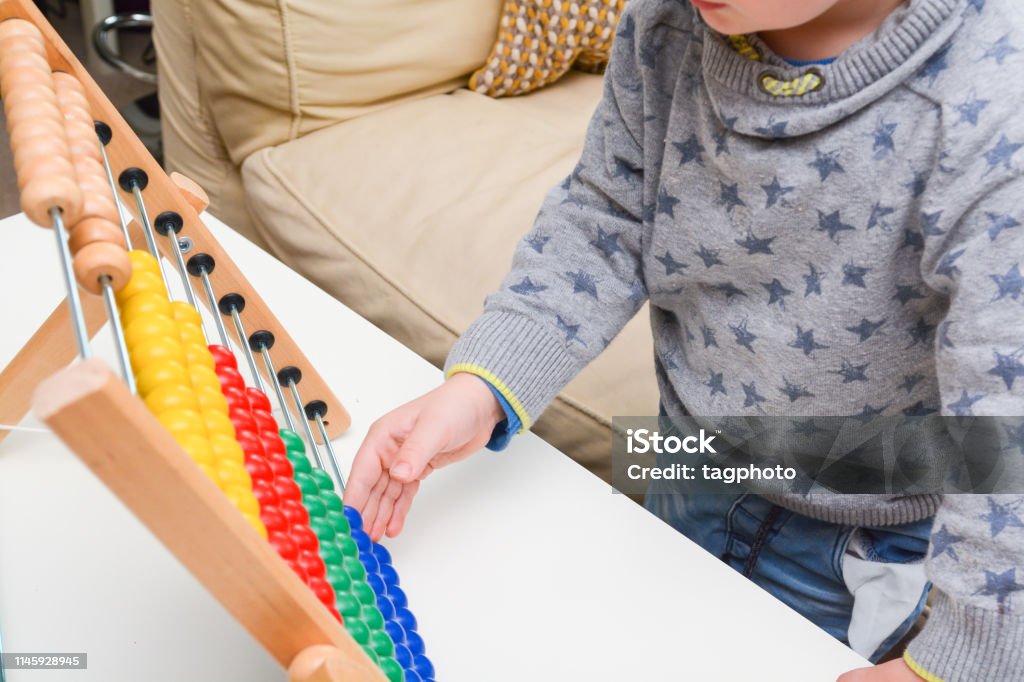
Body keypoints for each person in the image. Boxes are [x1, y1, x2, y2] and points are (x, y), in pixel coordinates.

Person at [346, 1, 1024, 679]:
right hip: (683, 456)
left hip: (870, 537)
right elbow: (608, 216)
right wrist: (481, 387)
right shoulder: (666, 23)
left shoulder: (991, 98)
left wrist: (955, 664)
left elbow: (1007, 421)